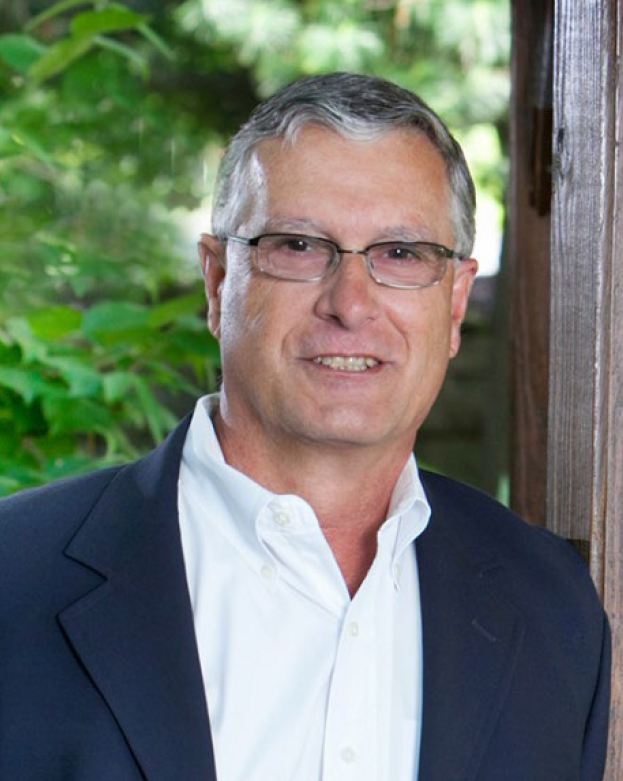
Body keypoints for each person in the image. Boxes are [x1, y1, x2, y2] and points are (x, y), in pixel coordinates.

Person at [0, 73, 610, 781]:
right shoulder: (14, 578)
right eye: (296, 245)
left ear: (452, 305)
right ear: (218, 280)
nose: (350, 304)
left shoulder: (552, 608)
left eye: (401, 254)